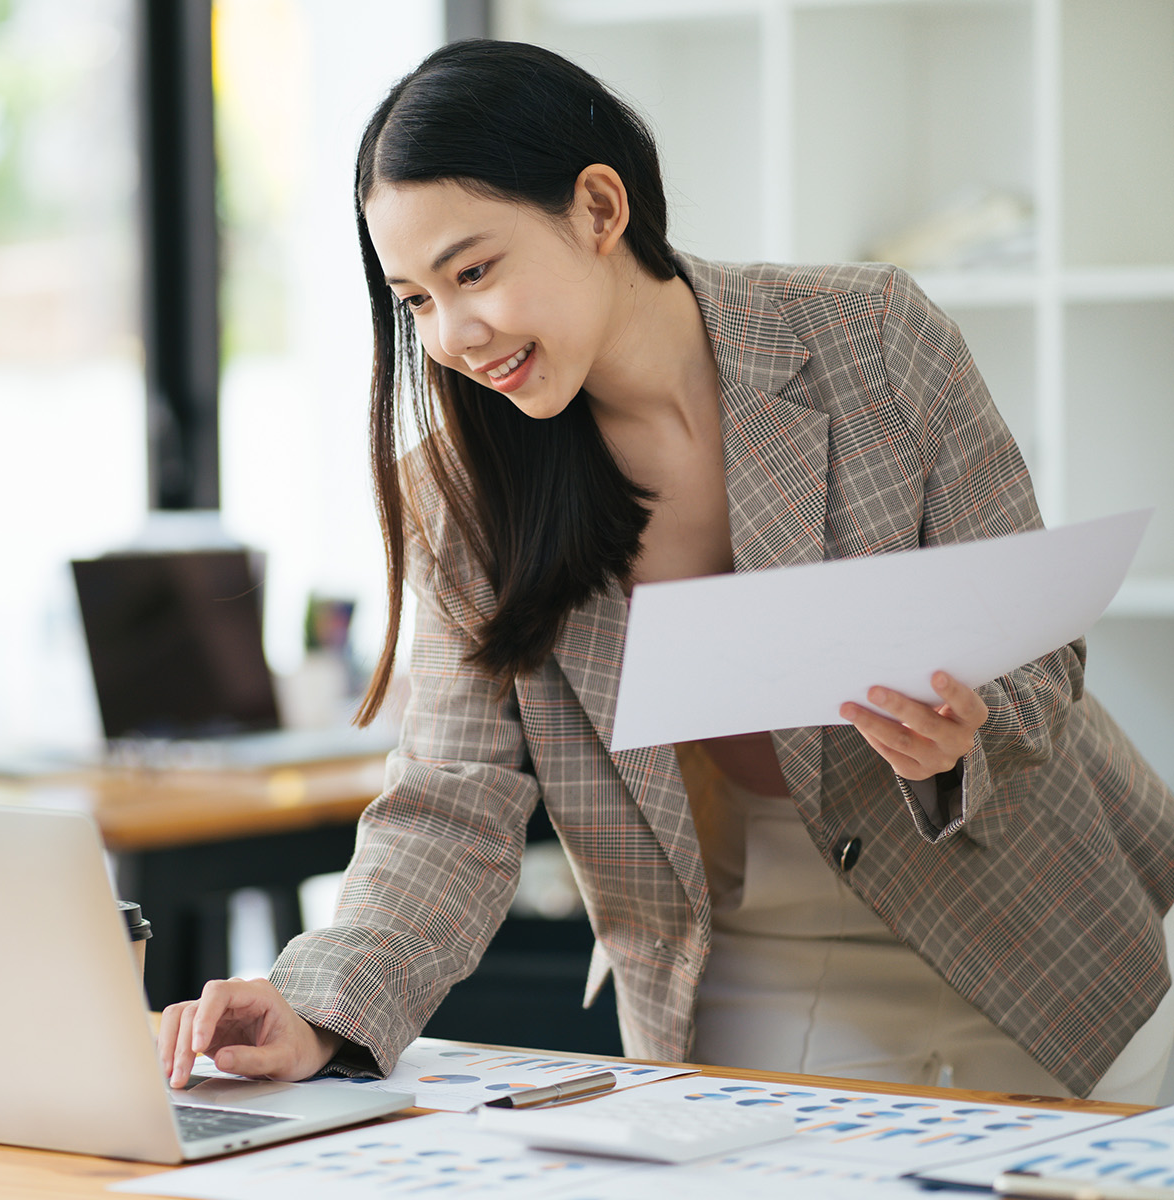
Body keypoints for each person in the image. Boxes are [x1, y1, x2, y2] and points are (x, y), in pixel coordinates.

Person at [160, 39, 1174, 1101]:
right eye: (414, 299)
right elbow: (451, 801)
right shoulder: (468, 488)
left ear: (601, 210)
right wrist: (319, 1003)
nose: (455, 334)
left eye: (475, 270)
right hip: (749, 958)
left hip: (1045, 923)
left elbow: (1042, 652)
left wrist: (968, 733)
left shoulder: (871, 334)